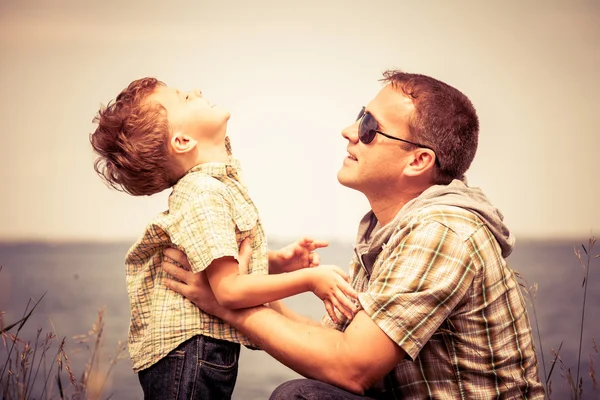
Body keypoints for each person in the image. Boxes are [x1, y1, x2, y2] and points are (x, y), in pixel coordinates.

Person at [161, 70, 546, 399]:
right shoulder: (388, 230)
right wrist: (244, 288)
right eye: (359, 117)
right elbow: (336, 344)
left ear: (418, 161)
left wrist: (225, 305)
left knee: (299, 398)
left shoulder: (441, 233)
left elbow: (350, 368)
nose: (348, 131)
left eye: (369, 127)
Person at [89, 77, 358, 400]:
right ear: (183, 140)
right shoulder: (204, 194)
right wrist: (310, 279)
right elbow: (228, 290)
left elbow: (218, 264)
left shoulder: (211, 187)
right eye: (185, 98)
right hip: (188, 353)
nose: (197, 91)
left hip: (192, 351)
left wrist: (277, 262)